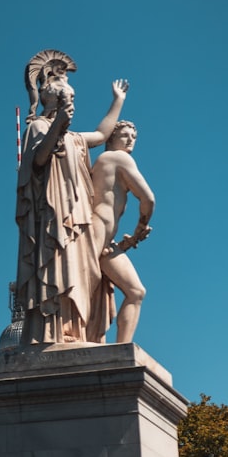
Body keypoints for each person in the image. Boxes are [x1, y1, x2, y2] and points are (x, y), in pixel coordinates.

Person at [16, 49, 128, 344]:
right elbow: (38, 160)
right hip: (52, 219)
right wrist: (57, 125)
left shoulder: (76, 138)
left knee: (82, 273)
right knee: (56, 270)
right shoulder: (38, 127)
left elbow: (102, 135)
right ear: (53, 100)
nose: (72, 106)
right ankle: (54, 332)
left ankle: (76, 330)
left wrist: (118, 101)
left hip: (78, 217)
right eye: (68, 100)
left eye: (74, 101)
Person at [90, 121, 154, 343]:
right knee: (132, 292)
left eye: (134, 137)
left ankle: (122, 352)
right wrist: (140, 228)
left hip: (103, 238)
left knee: (136, 292)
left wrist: (128, 242)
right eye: (125, 135)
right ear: (110, 138)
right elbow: (148, 199)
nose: (130, 140)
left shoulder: (98, 163)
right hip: (97, 235)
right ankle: (121, 350)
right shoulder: (118, 158)